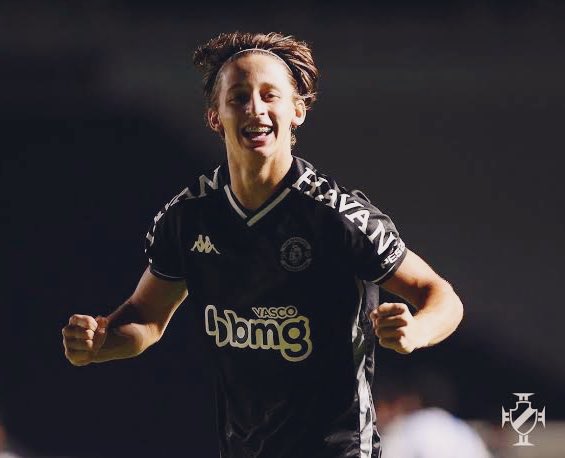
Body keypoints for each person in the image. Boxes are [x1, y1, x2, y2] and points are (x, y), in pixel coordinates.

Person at [61, 31, 464, 458]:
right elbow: (146, 319)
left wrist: (416, 330)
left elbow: (442, 296)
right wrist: (101, 343)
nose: (255, 108)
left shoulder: (338, 217)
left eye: (270, 95)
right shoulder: (188, 218)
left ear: (297, 111)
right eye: (239, 97)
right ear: (215, 117)